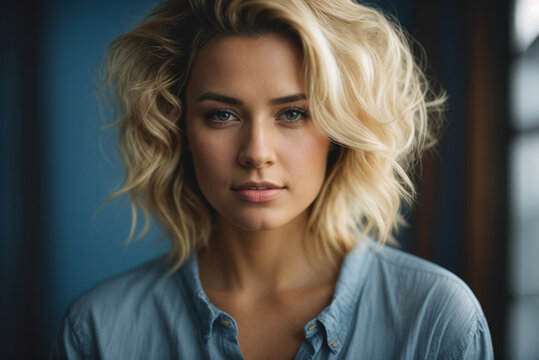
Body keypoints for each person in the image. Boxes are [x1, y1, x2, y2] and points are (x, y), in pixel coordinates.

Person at [52, 0, 494, 358]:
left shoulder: (436, 319)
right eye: (221, 115)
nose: (257, 152)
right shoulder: (99, 331)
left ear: (337, 133)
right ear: (180, 128)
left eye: (293, 114)